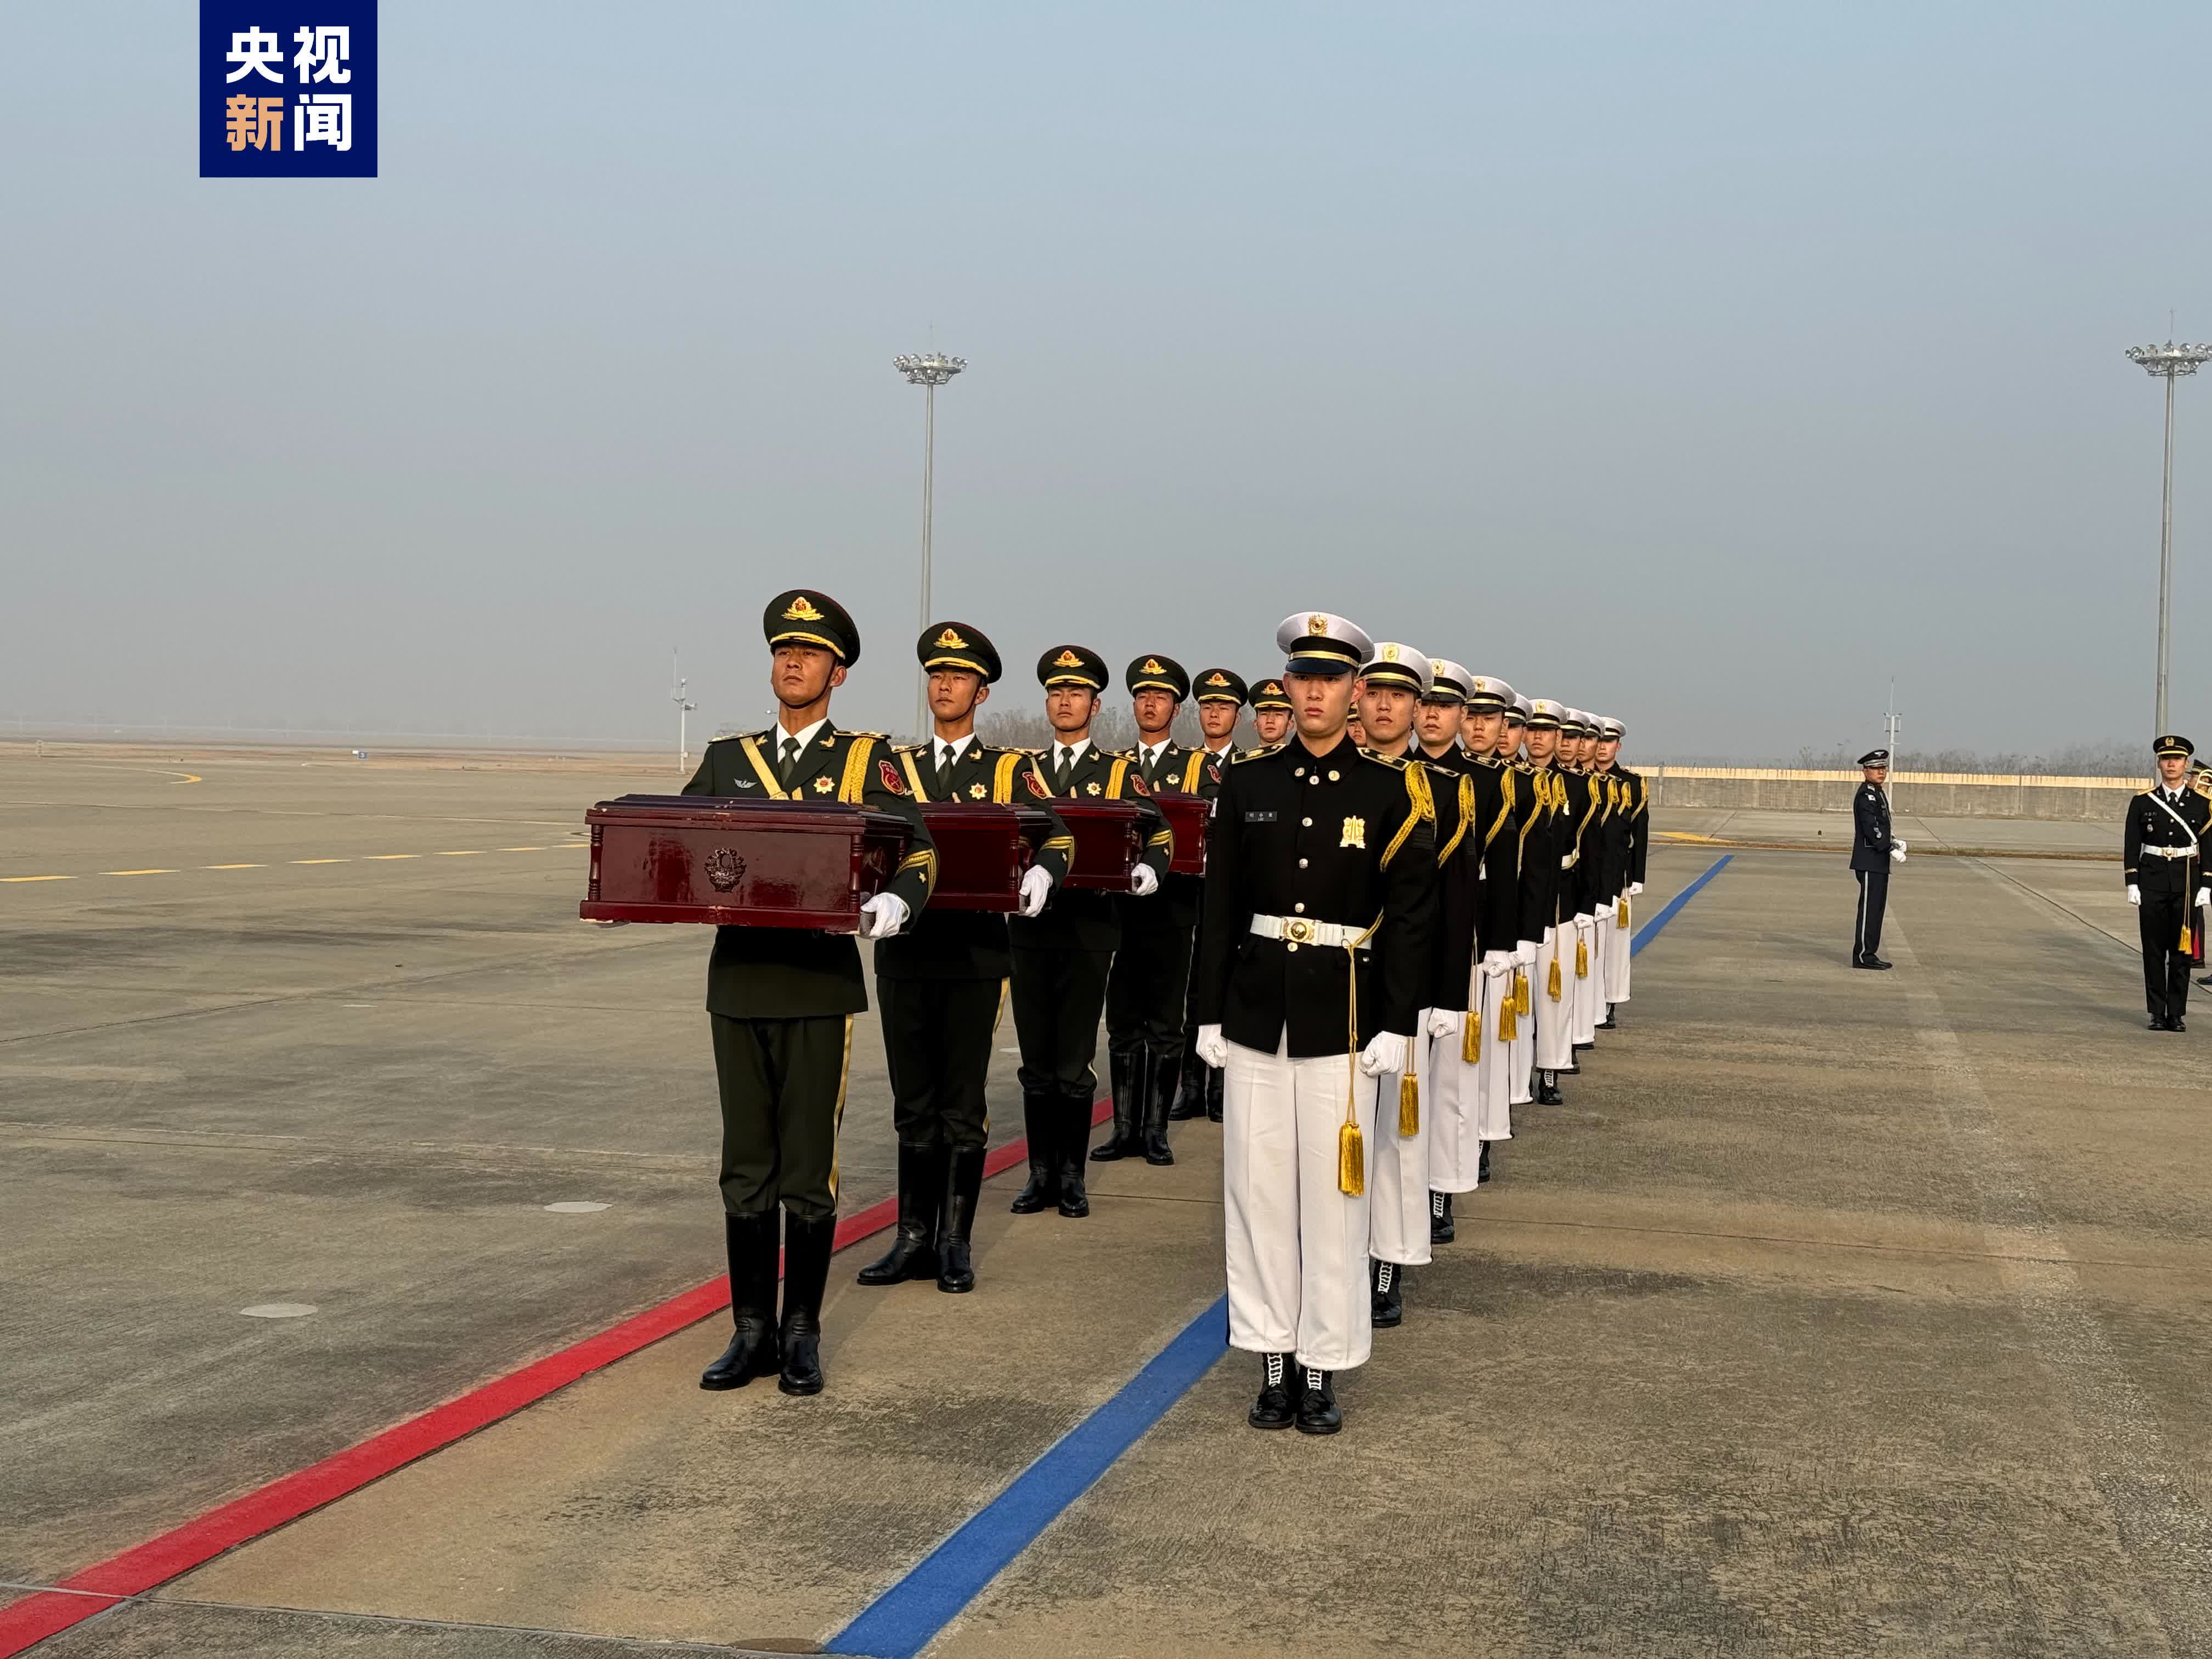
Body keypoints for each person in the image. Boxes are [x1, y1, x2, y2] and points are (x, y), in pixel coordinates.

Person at [684, 590, 936, 1397]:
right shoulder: (728, 759)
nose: (793, 663)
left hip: (820, 986)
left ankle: (801, 1333)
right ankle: (750, 1330)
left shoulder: (866, 760)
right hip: (739, 983)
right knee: (744, 1166)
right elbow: (676, 843)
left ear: (839, 673)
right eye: (783, 651)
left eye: (811, 653)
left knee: (807, 1168)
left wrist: (898, 902)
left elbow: (920, 851)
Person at [1195, 612, 1435, 1435]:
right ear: (1288, 687)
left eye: (1331, 680)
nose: (1315, 693)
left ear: (1355, 691)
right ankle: (1273, 1361)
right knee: (1257, 1197)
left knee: (1334, 1206)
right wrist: (1207, 1012)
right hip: (1257, 1015)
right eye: (1303, 679)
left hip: (1346, 1019)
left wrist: (1397, 1022)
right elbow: (1220, 907)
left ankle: (1323, 1365)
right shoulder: (1248, 782)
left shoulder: (1392, 790)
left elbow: (1410, 918)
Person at [862, 623, 1074, 1294]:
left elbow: (1059, 837)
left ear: (982, 693)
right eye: (937, 675)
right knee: (912, 1103)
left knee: (960, 1104)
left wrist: (1042, 874)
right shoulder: (894, 768)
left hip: (976, 956)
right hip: (906, 953)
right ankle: (911, 1238)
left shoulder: (1007, 769)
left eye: (958, 677)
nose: (945, 686)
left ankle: (954, 1241)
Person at [1007, 646, 1173, 1216]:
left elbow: (1160, 832)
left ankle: (1072, 1176)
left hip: (1090, 926)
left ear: (1095, 706)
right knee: (1036, 1057)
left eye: (1075, 693)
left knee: (1074, 1057)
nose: (1064, 701)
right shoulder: (1022, 770)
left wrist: (1151, 868)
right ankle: (1039, 1174)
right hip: (1030, 928)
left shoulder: (1118, 772)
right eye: (1056, 692)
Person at [1350, 644, 1455, 1329]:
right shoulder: (1334, 781)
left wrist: (1446, 996)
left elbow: (1451, 906)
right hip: (1339, 984)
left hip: (1404, 987)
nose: (1386, 706)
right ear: (1357, 700)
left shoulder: (1440, 790)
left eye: (1400, 696)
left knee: (1394, 1134)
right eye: (1376, 693)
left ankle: (1386, 1263)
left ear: (1418, 709)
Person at [1097, 656, 1214, 1166]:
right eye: (1143, 696)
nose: (1150, 704)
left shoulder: (1197, 767)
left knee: (1165, 1022)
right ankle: (1124, 1128)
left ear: (1175, 708)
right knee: (1123, 1020)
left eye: (1160, 697)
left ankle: (1156, 1130)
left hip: (1172, 908)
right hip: (1119, 911)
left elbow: (1211, 828)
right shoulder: (1114, 766)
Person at [1426, 672, 1525, 1234]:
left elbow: (1503, 868)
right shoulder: (1389, 773)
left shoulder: (1483, 782)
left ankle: (1443, 1186)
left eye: (1445, 706)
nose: (1432, 715)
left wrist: (1500, 943)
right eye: (1426, 704)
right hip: (1397, 941)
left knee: (1453, 1078)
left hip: (1462, 935)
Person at [1171, 669, 1252, 1124]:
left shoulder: (1251, 768)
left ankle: (1221, 1086)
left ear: (1237, 717)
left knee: (1226, 985)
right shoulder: (1183, 767)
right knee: (1192, 988)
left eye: (1223, 707)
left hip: (1233, 894)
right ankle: (1191, 1087)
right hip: (1189, 891)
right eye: (1207, 706)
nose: (1214, 714)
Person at [2125, 735, 2211, 1031]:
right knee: (2153, 950)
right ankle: (2156, 1013)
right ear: (2159, 764)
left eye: (2177, 759)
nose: (2171, 764)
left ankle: (2176, 1014)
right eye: (2166, 759)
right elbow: (2132, 844)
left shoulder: (2203, 804)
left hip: (2187, 882)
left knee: (2181, 952)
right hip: (2152, 880)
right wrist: (2132, 882)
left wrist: (2207, 885)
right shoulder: (2142, 802)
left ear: (2186, 764)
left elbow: (2208, 848)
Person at [1593, 716, 1645, 1022]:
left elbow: (1640, 832)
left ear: (1618, 746)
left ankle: (1610, 999)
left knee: (1615, 943)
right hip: (1588, 873)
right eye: (1599, 741)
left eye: (1609, 742)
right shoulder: (1582, 779)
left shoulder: (1632, 784)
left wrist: (1637, 876)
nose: (1603, 748)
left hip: (1619, 876)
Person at [1851, 749, 1902, 970]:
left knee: (1877, 909)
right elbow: (1871, 828)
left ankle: (1870, 953)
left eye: (1883, 768)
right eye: (1876, 768)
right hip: (1869, 859)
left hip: (1878, 860)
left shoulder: (1878, 793)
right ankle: (1863, 956)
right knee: (1869, 909)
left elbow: (1882, 824)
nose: (1881, 772)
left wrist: (1894, 841)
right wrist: (1888, 846)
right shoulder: (1866, 795)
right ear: (1866, 771)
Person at [1250, 678, 1293, 749]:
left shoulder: (1303, 757)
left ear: (1290, 724)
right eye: (1264, 714)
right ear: (1255, 723)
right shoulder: (1239, 756)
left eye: (1278, 714)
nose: (1270, 720)